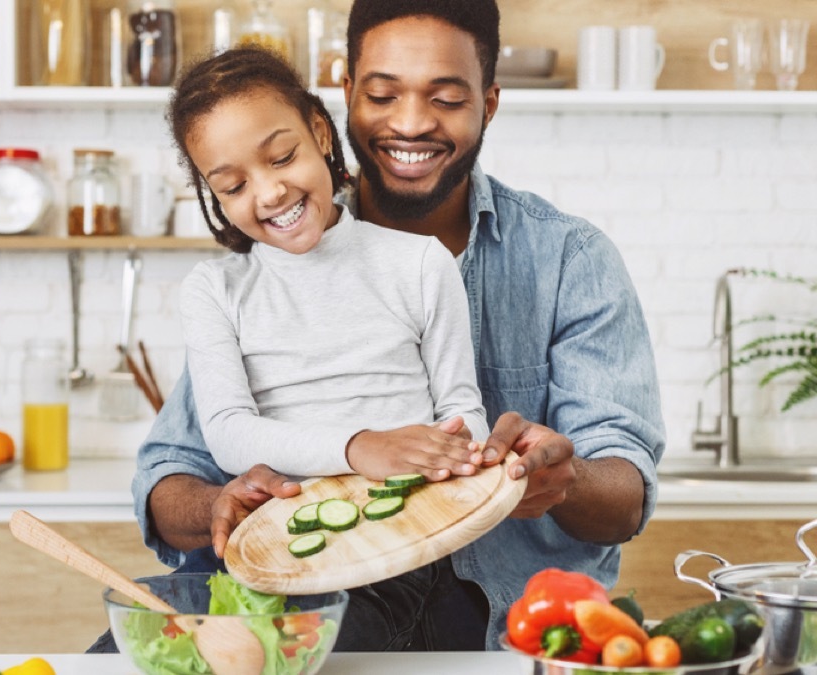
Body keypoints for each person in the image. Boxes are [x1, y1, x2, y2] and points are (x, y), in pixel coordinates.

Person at [126, 0, 665, 653]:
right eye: (383, 94)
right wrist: (220, 506)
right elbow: (172, 475)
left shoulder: (565, 260)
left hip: (499, 619)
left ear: (488, 103)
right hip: (293, 589)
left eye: (445, 97)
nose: (411, 122)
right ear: (345, 97)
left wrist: (564, 477)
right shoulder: (243, 280)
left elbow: (625, 493)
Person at [172, 46, 489, 482]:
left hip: (419, 522)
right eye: (233, 186)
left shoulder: (420, 264)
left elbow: (463, 410)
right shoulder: (213, 290)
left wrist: (455, 450)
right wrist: (358, 448)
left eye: (282, 157)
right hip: (294, 539)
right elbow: (228, 434)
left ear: (320, 133)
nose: (268, 194)